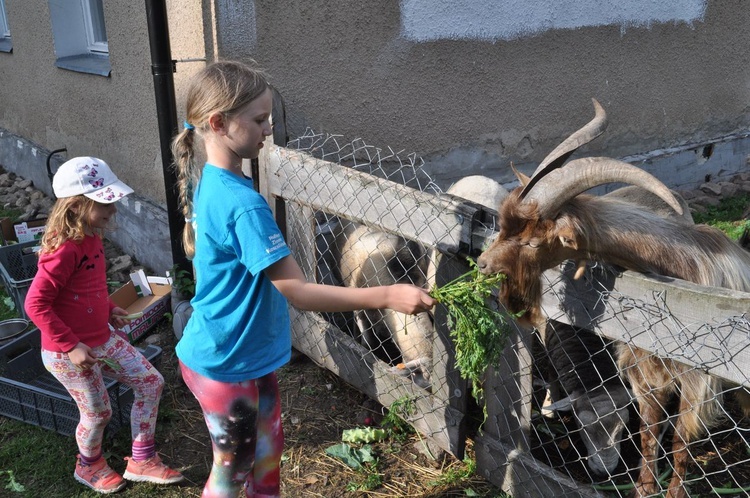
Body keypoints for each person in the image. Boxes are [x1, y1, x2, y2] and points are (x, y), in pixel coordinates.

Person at [171, 60, 436, 498]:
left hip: (243, 356)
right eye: (258, 120)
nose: (269, 128)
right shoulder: (243, 206)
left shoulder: (215, 181)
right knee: (232, 470)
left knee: (268, 453)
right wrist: (387, 293)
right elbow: (298, 292)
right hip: (224, 363)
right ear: (218, 123)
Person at [24, 157, 184, 494]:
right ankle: (88, 464)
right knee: (98, 413)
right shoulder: (64, 249)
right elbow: (35, 304)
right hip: (68, 351)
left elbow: (87, 288)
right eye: (104, 203)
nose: (113, 210)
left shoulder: (92, 237)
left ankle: (141, 458)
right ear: (77, 205)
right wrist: (70, 345)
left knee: (150, 382)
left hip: (101, 338)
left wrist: (108, 307)